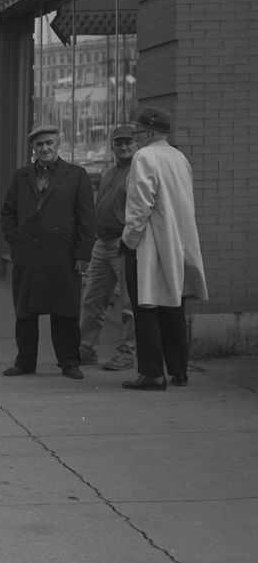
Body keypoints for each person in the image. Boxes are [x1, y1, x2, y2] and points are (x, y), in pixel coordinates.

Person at [120, 105, 208, 390]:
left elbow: (139, 205)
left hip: (150, 244)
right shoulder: (179, 157)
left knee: (146, 307)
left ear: (147, 132)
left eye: (137, 131)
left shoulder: (144, 157)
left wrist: (128, 240)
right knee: (173, 305)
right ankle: (179, 369)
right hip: (178, 242)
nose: (134, 136)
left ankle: (151, 372)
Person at [1, 125, 96, 380]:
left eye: (49, 143)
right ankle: (25, 362)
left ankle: (69, 362)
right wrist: (15, 239)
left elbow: (87, 219)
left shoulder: (76, 175)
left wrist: (82, 254)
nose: (45, 148)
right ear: (33, 148)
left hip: (62, 256)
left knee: (65, 310)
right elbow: (8, 212)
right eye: (39, 144)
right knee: (25, 311)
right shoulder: (21, 177)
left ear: (58, 145)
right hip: (28, 254)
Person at [78, 124, 137, 370]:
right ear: (112, 146)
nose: (123, 146)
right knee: (92, 300)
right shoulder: (110, 173)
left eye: (128, 142)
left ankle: (127, 353)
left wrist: (128, 240)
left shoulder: (138, 173)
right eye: (118, 143)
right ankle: (86, 348)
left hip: (123, 245)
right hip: (102, 244)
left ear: (136, 145)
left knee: (129, 304)